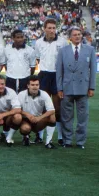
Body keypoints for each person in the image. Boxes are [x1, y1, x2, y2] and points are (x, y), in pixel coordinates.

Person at [56, 27, 96, 149]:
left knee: (83, 117)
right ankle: (67, 141)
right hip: (67, 87)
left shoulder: (90, 49)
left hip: (83, 88)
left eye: (79, 34)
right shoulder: (63, 51)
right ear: (70, 37)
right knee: (66, 117)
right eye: (75, 35)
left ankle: (80, 142)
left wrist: (92, 87)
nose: (77, 36)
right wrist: (60, 88)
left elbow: (93, 70)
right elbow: (59, 71)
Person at [34, 18, 68, 146]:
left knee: (57, 108)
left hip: (58, 75)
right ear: (44, 29)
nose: (52, 30)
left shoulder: (63, 42)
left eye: (54, 28)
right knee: (42, 106)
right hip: (44, 75)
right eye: (49, 28)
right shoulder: (38, 43)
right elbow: (37, 59)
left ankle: (60, 137)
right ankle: (39, 136)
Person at [18, 75, 56, 149]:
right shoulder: (21, 94)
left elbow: (52, 110)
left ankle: (48, 142)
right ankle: (26, 137)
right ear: (28, 86)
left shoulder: (44, 94)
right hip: (25, 120)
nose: (35, 87)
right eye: (32, 85)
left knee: (52, 116)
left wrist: (39, 118)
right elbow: (15, 109)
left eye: (37, 85)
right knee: (25, 128)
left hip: (38, 120)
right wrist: (26, 114)